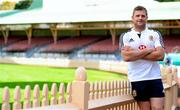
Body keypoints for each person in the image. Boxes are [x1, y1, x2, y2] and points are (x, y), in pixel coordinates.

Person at [119, 6, 165, 110]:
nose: (140, 18)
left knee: (158, 108)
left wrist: (134, 53)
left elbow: (161, 55)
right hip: (137, 79)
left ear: (147, 17)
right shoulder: (125, 36)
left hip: (154, 78)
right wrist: (148, 50)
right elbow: (126, 57)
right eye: (137, 16)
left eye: (143, 16)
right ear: (132, 18)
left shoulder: (155, 34)